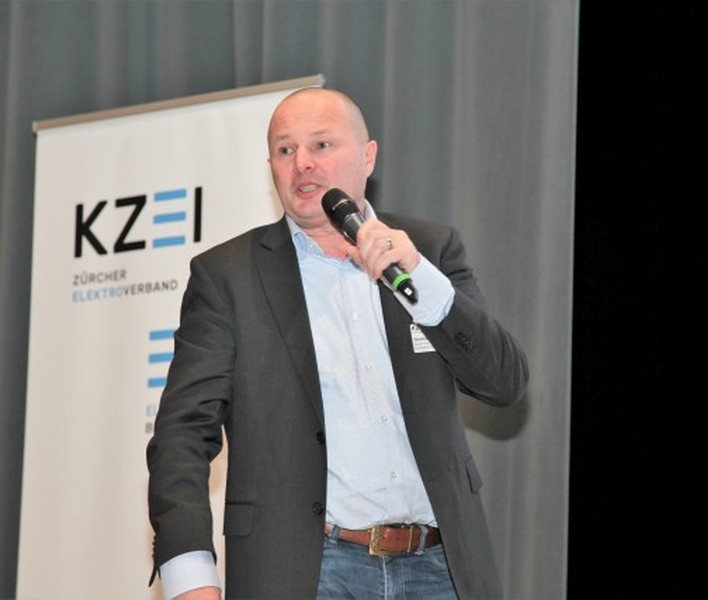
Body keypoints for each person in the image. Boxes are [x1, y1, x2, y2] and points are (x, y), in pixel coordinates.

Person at [147, 87, 529, 599]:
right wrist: (189, 578)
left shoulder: (427, 251)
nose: (302, 163)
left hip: (440, 567)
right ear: (271, 166)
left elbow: (503, 383)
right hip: (310, 573)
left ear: (368, 156)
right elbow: (182, 435)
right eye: (285, 150)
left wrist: (422, 279)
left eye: (321, 145)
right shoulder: (228, 277)